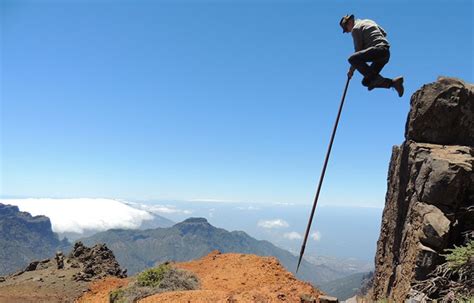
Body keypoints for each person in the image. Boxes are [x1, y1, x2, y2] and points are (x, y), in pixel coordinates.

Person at [340, 14, 404, 97]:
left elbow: (358, 51)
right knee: (367, 82)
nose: (348, 31)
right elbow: (384, 33)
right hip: (386, 53)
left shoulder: (355, 29)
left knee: (352, 59)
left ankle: (377, 80)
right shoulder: (368, 21)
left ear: (350, 22)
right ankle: (394, 83)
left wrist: (351, 70)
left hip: (379, 50)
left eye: (346, 29)